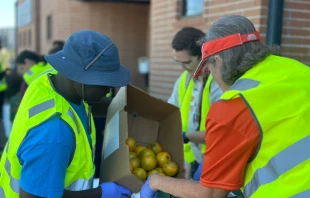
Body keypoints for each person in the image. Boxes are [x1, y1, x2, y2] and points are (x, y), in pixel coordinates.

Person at [139, 15, 310, 198]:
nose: (211, 74)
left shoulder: (234, 105)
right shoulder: (298, 70)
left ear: (218, 61)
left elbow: (210, 195)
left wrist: (156, 181)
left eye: (209, 67)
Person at [0, 30, 132, 198]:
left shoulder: (50, 81)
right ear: (78, 76)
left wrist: (129, 106)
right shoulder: (55, 134)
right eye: (104, 84)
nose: (108, 91)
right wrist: (100, 193)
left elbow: (91, 103)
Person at [168, 27, 223, 179]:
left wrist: (185, 136)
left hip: (215, 163)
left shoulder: (219, 84)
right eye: (178, 62)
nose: (183, 69)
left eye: (187, 63)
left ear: (204, 56)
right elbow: (170, 112)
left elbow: (223, 133)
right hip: (191, 160)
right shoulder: (184, 80)